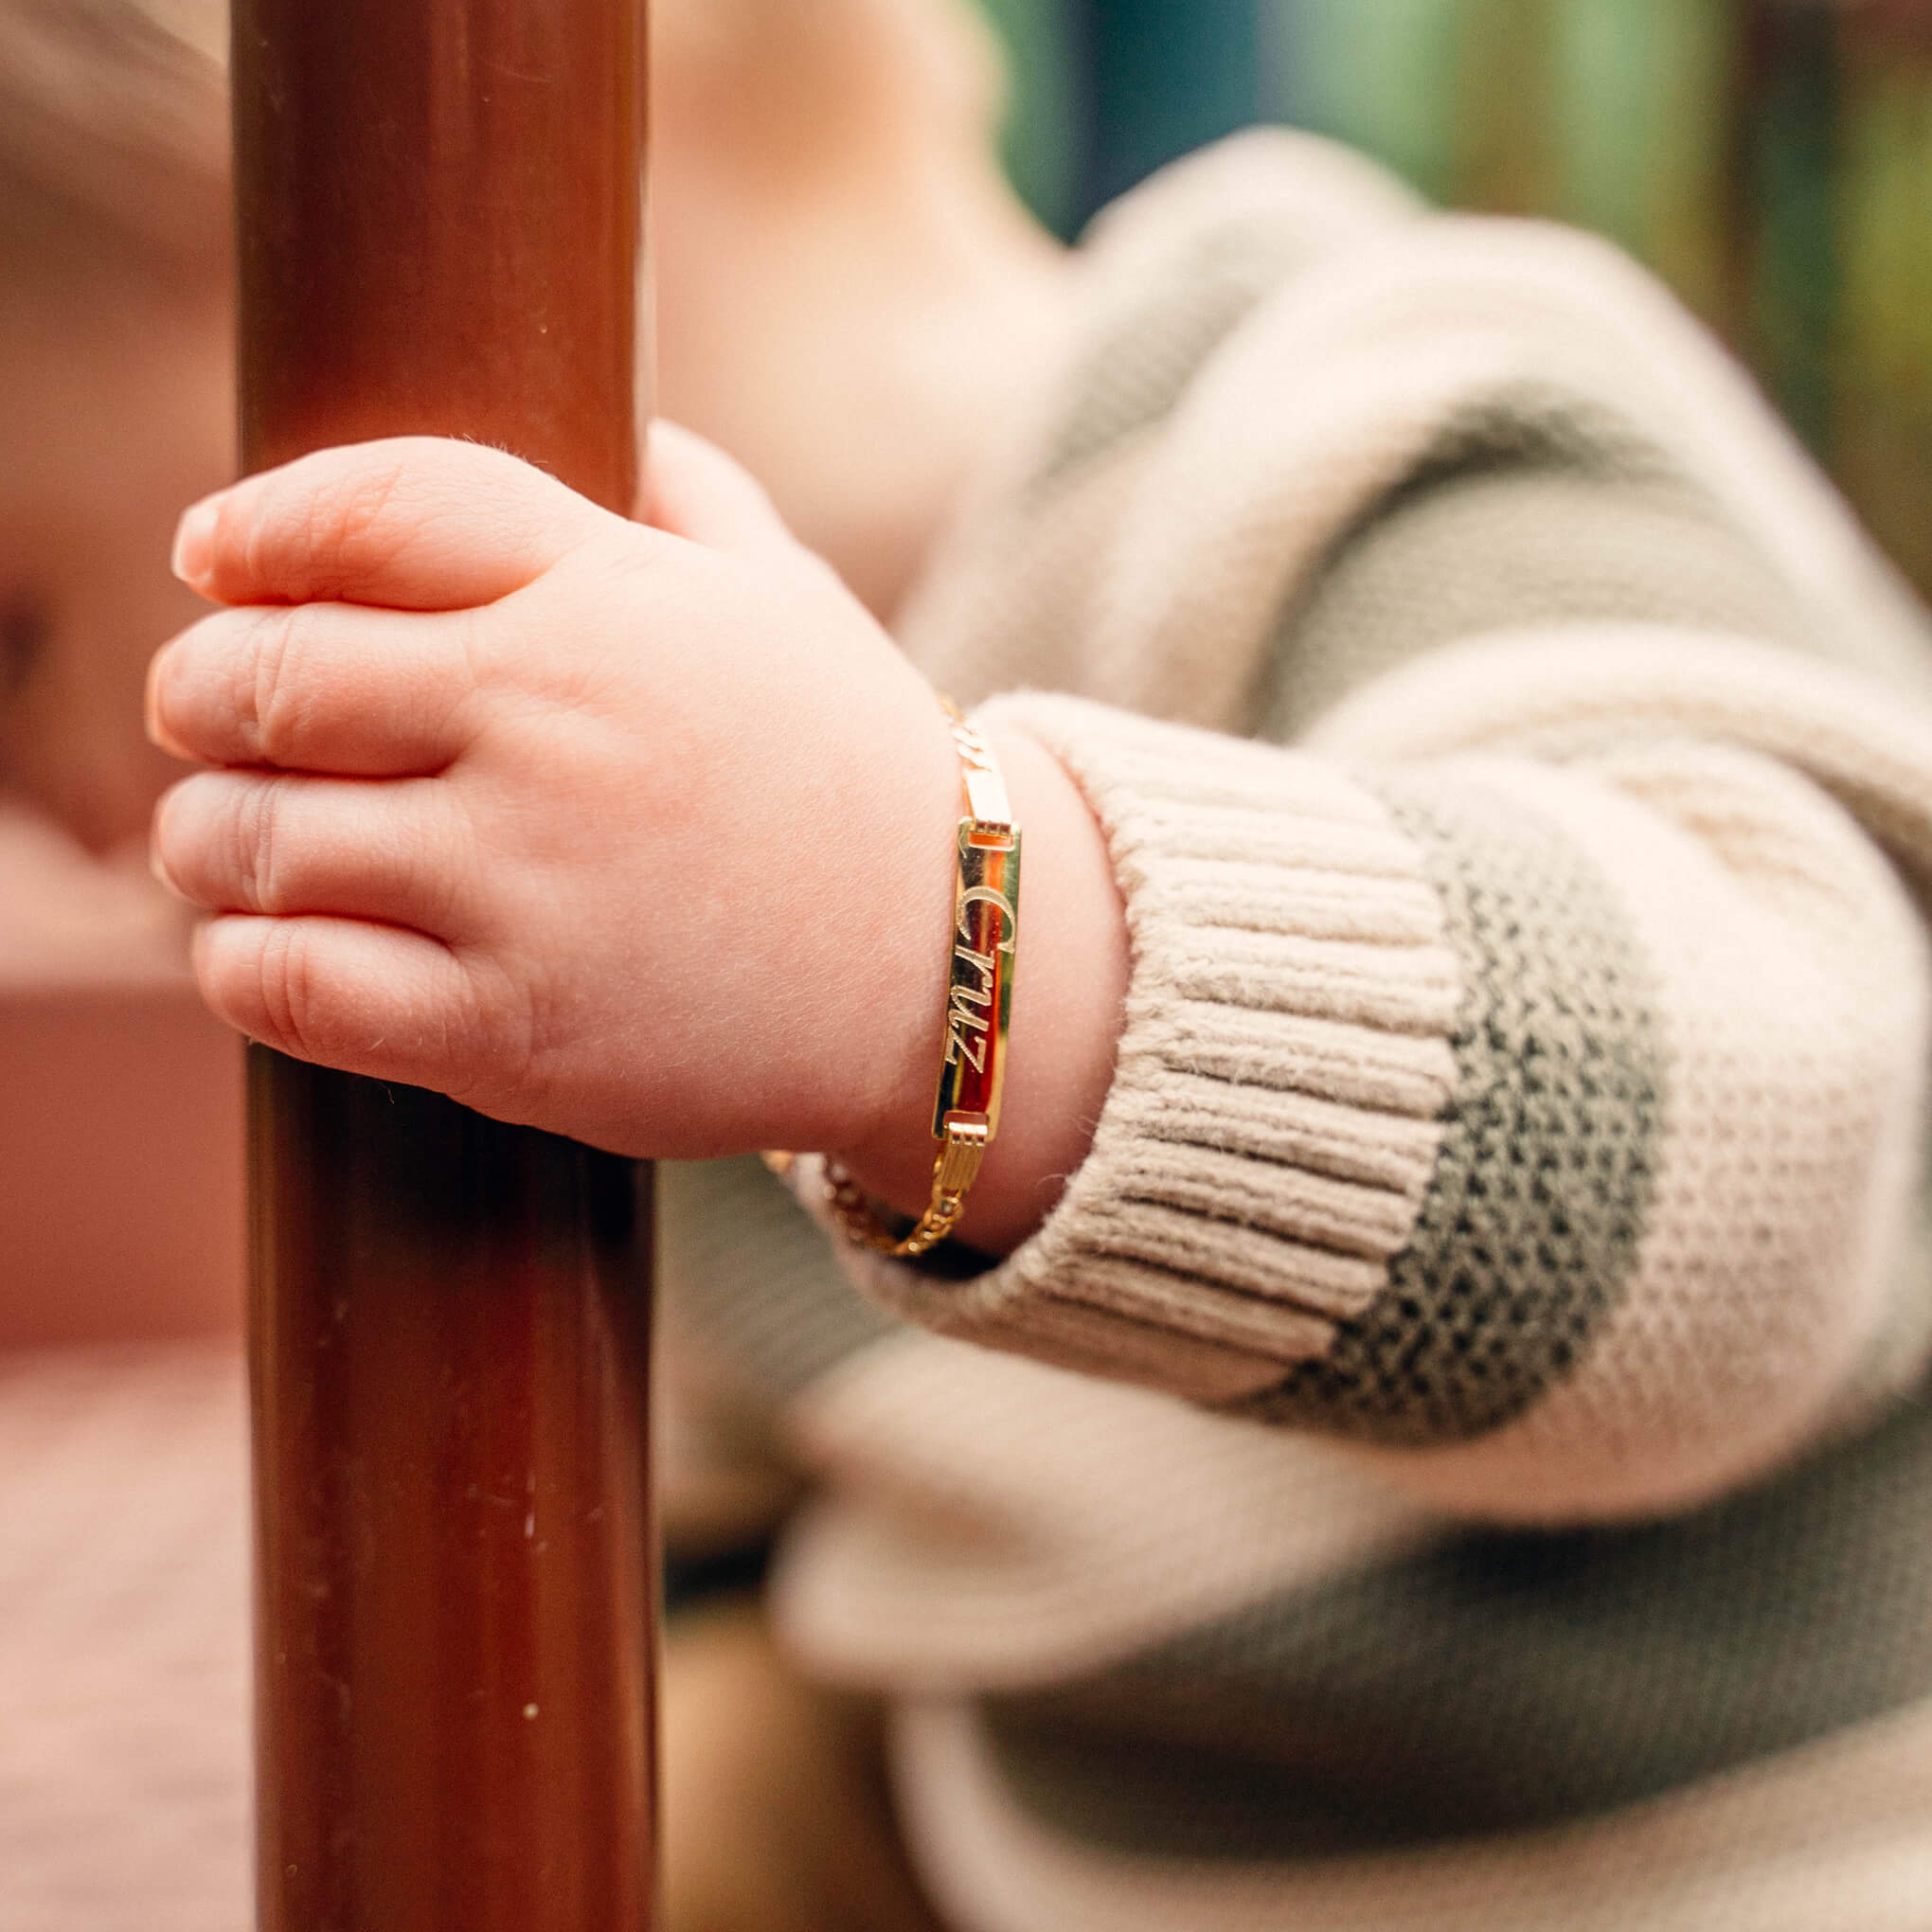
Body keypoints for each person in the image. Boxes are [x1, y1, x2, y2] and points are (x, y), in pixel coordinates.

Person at [16, 1, 1932, 1927]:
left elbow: (1767, 1157)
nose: (37, 810)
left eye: (13, 635)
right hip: (1076, 1837)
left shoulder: (1349, 401)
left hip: (1744, 1856)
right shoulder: (585, 914)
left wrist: (918, 940)